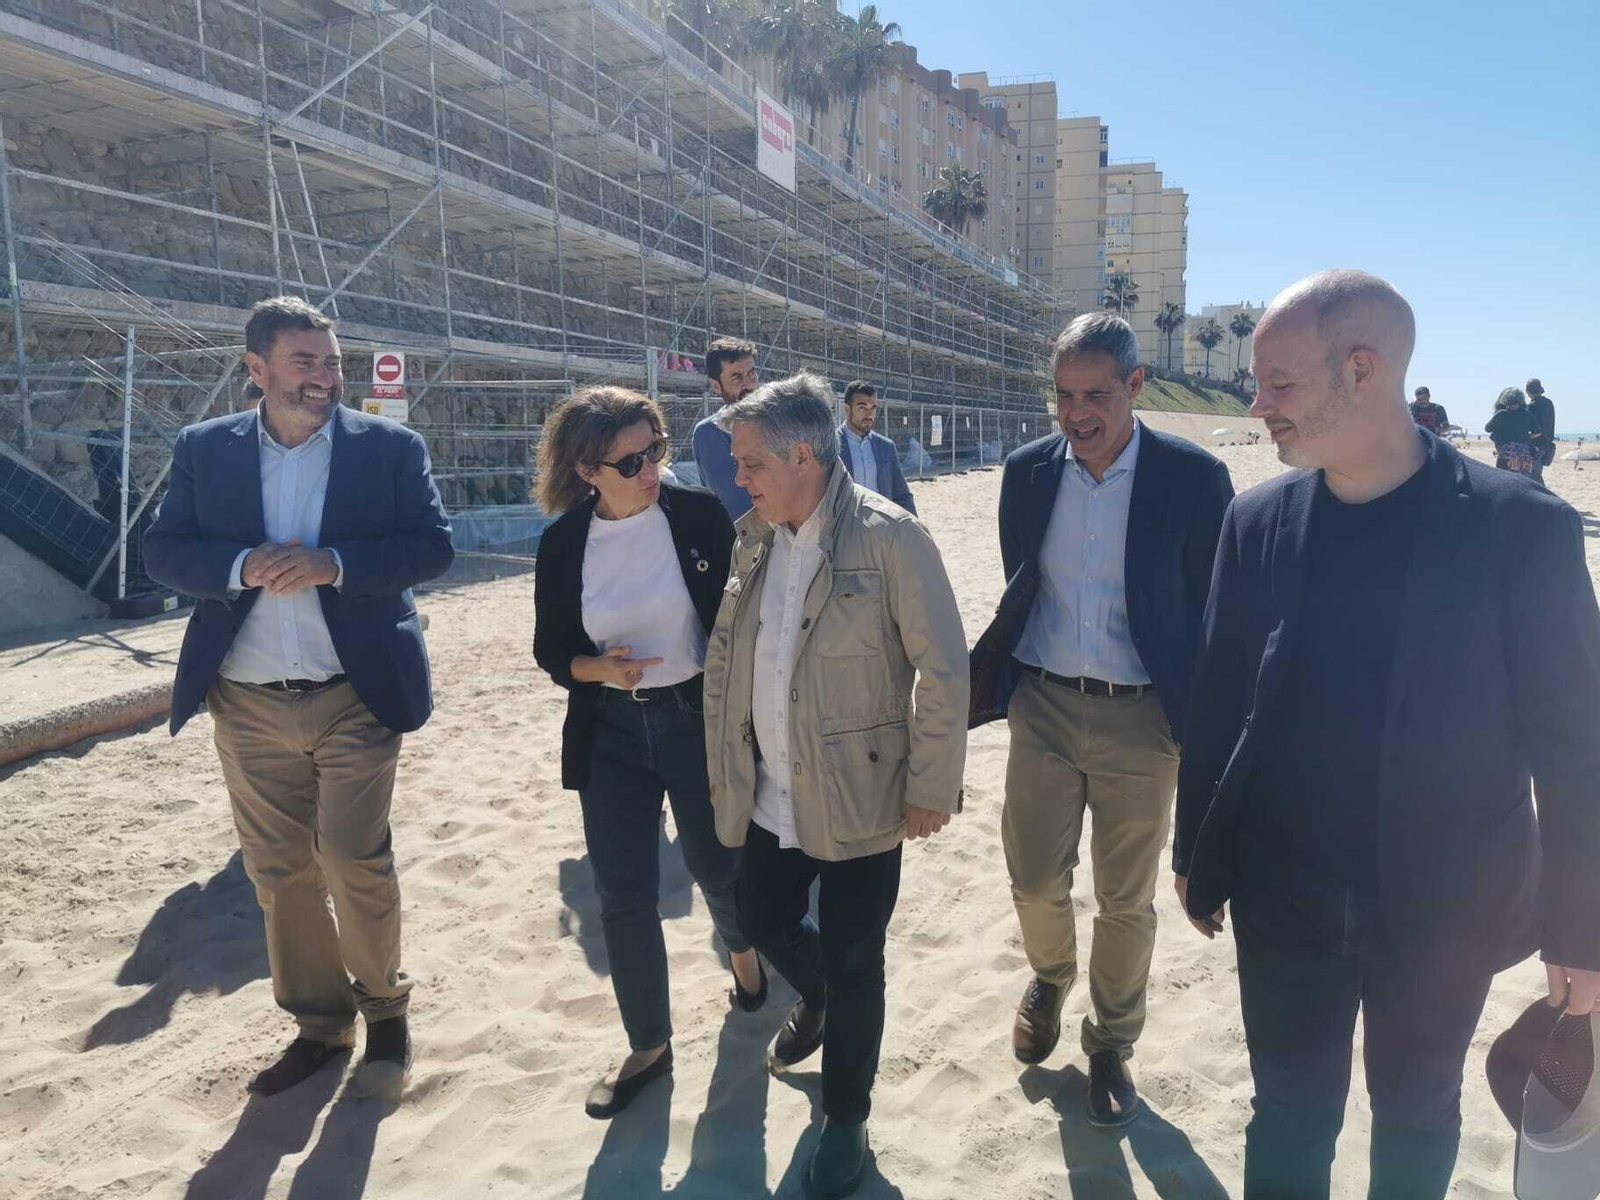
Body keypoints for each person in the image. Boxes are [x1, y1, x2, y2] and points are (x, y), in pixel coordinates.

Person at [1173, 269, 1600, 1199]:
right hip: (1282, 899)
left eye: (1280, 382)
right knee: (1287, 1114)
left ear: (1362, 371)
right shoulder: (1256, 521)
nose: (1259, 404)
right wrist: (1192, 852)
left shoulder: (1522, 530)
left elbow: (1575, 747)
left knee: (1416, 1113)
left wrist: (1581, 924)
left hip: (1445, 908)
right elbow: (1218, 699)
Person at [143, 296, 455, 1099]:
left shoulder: (388, 447)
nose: (324, 377)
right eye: (304, 362)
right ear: (257, 369)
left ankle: (385, 1008)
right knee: (280, 872)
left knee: (353, 857)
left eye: (331, 361)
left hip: (355, 690)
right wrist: (243, 565)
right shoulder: (203, 449)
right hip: (245, 699)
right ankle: (319, 1026)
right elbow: (164, 550)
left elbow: (431, 546)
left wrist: (334, 564)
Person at [702, 372, 968, 1200]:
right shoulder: (754, 537)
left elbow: (945, 666)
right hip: (770, 795)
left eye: (750, 462)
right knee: (762, 917)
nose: (737, 476)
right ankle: (816, 998)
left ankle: (847, 1120)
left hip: (861, 798)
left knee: (858, 961)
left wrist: (932, 783)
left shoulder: (892, 538)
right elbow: (729, 665)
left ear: (805, 455)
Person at [970, 313, 1233, 1126]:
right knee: (1034, 877)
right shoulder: (1027, 472)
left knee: (1127, 897)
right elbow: (1022, 581)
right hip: (1043, 705)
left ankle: (1111, 1042)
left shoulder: (1195, 479)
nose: (1076, 413)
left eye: (1094, 395)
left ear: (1135, 386)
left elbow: (1216, 612)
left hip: (1143, 719)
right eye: (1062, 396)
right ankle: (1050, 976)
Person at [531, 386, 763, 1119]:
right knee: (621, 894)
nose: (649, 468)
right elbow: (550, 650)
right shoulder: (563, 543)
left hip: (694, 718)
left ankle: (745, 956)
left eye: (655, 449)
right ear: (588, 469)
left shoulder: (696, 516)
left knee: (716, 864)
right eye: (629, 460)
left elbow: (742, 617)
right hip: (610, 731)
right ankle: (649, 1046)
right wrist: (596, 669)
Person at [691, 337, 760, 519]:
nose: (748, 385)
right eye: (736, 377)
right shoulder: (711, 435)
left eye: (751, 373)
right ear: (716, 385)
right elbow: (738, 506)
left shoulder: (781, 422)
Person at [836, 381, 917, 514]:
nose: (869, 414)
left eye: (873, 408)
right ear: (847, 409)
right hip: (845, 529)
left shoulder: (886, 447)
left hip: (881, 528)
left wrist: (914, 528)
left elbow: (901, 494)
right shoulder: (831, 446)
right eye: (862, 407)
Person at [1487, 386, 1538, 476]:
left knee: (1504, 481)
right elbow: (1537, 432)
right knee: (1523, 482)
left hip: (1505, 454)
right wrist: (1526, 437)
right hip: (1523, 455)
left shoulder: (1501, 414)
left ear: (1505, 400)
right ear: (1521, 400)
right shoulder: (1526, 414)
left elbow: (1487, 429)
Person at [1527, 377, 1557, 483]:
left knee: (1534, 476)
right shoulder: (1549, 403)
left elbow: (1531, 428)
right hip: (1547, 443)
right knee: (1537, 473)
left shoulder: (1532, 406)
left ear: (1528, 391)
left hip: (1536, 444)